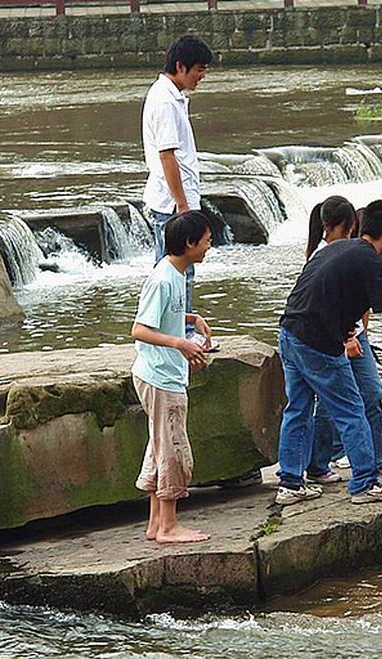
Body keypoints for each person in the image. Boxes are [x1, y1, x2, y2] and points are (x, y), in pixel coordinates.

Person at [276, 199, 382, 506]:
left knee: (297, 409)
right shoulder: (370, 261)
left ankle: (290, 483)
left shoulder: (334, 248)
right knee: (353, 409)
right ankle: (365, 483)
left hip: (289, 333)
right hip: (317, 343)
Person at [303, 198, 382, 486]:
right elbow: (327, 306)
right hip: (335, 338)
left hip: (354, 335)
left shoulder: (349, 251)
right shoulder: (324, 256)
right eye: (347, 231)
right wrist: (346, 340)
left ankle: (376, 457)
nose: (350, 238)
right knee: (331, 404)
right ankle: (321, 464)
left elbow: (362, 296)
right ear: (329, 229)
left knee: (371, 393)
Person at [130, 210, 214, 544]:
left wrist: (190, 319)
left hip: (166, 374)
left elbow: (165, 314)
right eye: (207, 241)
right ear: (190, 243)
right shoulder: (164, 277)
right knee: (174, 450)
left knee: (160, 446)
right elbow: (138, 329)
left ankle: (155, 524)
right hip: (160, 377)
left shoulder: (176, 273)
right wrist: (179, 342)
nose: (210, 246)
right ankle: (168, 526)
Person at [142, 34, 213, 343]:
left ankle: (177, 330)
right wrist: (183, 207)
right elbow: (167, 156)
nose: (202, 76)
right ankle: (177, 334)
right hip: (172, 205)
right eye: (199, 69)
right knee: (173, 272)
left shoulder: (172, 96)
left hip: (175, 201)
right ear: (181, 66)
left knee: (179, 271)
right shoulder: (165, 102)